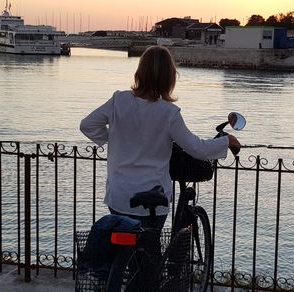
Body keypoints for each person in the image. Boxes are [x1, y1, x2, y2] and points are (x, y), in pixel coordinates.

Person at [80, 45, 240, 231]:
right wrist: (227, 141)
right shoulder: (169, 113)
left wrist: (115, 140)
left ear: (140, 71)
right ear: (169, 77)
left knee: (124, 252)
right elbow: (197, 148)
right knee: (150, 250)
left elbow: (87, 125)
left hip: (120, 196)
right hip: (153, 198)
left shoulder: (118, 100)